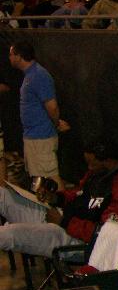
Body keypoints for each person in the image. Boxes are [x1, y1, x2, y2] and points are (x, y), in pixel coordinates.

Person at [0, 139, 118, 258]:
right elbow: (77, 193)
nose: (89, 167)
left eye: (93, 164)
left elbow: (106, 233)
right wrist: (56, 198)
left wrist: (64, 222)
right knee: (2, 194)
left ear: (108, 161)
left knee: (6, 234)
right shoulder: (98, 172)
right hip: (58, 217)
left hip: (73, 239)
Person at [9, 41, 68, 191]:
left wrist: (56, 124)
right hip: (34, 136)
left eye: (11, 54)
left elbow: (52, 107)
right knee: (40, 176)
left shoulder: (39, 75)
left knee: (51, 176)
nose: (8, 57)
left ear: (19, 56)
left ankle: (62, 210)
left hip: (41, 137)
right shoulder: (31, 75)